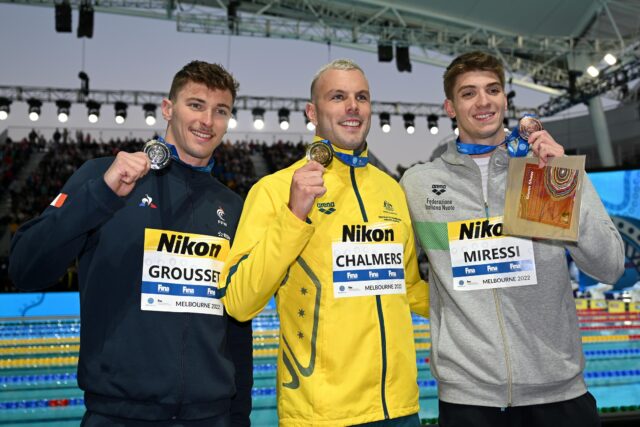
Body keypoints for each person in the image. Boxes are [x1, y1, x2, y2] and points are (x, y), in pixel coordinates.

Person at [9, 61, 252, 427]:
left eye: (221, 111)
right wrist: (101, 196)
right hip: (118, 415)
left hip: (211, 417)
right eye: (196, 104)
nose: (208, 121)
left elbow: (236, 323)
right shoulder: (103, 176)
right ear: (168, 109)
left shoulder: (231, 206)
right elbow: (25, 268)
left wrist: (239, 418)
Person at [400, 51, 624, 427]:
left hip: (559, 392)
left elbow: (611, 266)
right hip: (469, 400)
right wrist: (447, 321)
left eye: (493, 90)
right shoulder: (419, 185)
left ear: (505, 99)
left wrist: (562, 189)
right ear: (450, 107)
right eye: (468, 93)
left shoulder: (544, 167)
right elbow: (400, 274)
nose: (484, 101)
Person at [220, 59, 429, 426]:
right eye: (338, 97)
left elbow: (410, 288)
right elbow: (239, 301)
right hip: (321, 414)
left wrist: (485, 300)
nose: (353, 106)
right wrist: (293, 215)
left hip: (399, 408)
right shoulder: (274, 190)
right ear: (312, 112)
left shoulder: (391, 191)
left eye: (361, 97)